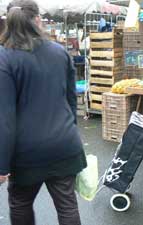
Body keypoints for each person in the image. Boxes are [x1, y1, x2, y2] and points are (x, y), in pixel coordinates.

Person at [0, 1, 87, 225]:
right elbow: (71, 101)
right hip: (64, 144)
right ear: (38, 20)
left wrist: (2, 165)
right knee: (67, 205)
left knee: (20, 202)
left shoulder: (5, 58)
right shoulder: (60, 52)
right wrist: (70, 134)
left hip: (27, 152)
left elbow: (5, 117)